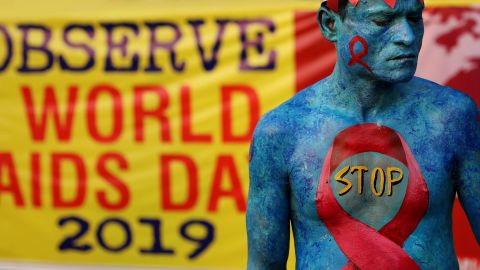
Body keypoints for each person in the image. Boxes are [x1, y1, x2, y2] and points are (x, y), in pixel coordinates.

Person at [246, 0, 480, 269]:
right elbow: (264, 264)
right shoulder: (282, 131)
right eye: (382, 21)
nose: (407, 37)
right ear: (330, 24)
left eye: (414, 18)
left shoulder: (452, 118)